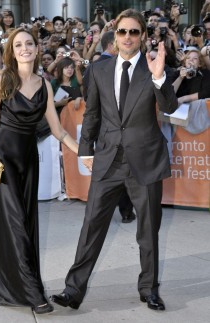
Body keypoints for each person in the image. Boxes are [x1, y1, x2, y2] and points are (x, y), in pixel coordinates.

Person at [51, 8, 178, 311]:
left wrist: (160, 78)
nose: (128, 37)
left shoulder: (156, 69)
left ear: (143, 36)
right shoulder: (98, 70)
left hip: (144, 161)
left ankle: (149, 289)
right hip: (107, 159)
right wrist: (85, 150)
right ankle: (73, 290)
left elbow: (170, 107)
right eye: (123, 31)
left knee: (147, 231)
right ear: (115, 35)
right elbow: (92, 113)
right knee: (91, 226)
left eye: (134, 32)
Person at [0, 27, 78, 314]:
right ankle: (33, 293)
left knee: (25, 223)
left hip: (28, 161)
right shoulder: (1, 79)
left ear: (36, 48)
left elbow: (57, 130)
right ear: (12, 50)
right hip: (3, 159)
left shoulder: (44, 85)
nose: (24, 48)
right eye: (18, 44)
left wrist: (83, 151)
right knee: (16, 222)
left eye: (29, 43)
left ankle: (3, 277)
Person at [83, 30, 135, 223]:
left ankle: (107, 211)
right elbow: (91, 103)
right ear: (112, 44)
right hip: (112, 131)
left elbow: (89, 102)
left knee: (110, 171)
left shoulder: (97, 67)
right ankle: (125, 211)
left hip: (105, 132)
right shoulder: (98, 68)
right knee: (120, 171)